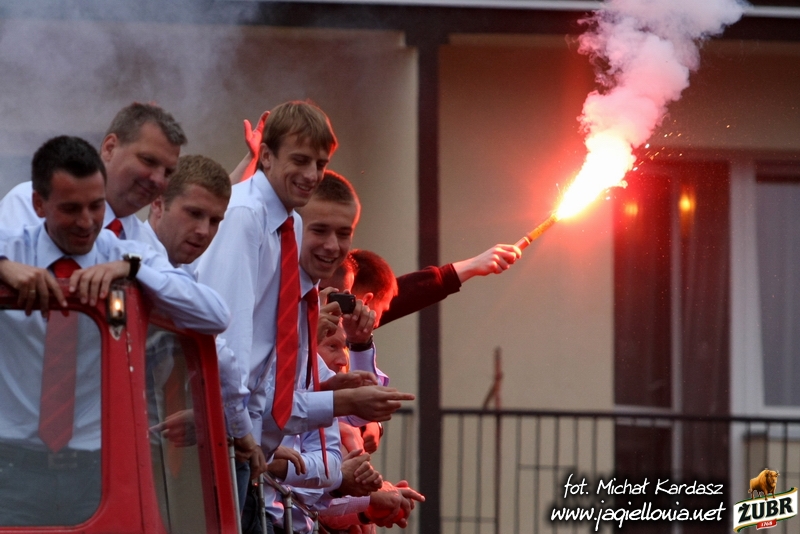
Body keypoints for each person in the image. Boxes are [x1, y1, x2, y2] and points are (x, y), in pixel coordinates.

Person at [195, 102, 412, 515]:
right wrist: (243, 434)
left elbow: (270, 390)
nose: (311, 174)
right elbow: (225, 346)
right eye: (300, 160)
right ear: (266, 156)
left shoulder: (288, 223)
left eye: (320, 163)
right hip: (222, 445)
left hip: (243, 449)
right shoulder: (245, 216)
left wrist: (339, 396)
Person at [0, 136, 229, 527]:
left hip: (96, 476)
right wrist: (3, 268)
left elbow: (215, 315)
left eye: (96, 206)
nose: (87, 222)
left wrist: (134, 272)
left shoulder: (124, 251)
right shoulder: (12, 247)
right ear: (39, 205)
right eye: (71, 209)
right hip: (11, 470)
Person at [0, 102, 185, 253]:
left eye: (168, 173)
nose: (158, 180)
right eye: (148, 160)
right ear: (110, 148)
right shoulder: (28, 204)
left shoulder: (150, 248)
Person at [146, 154, 231, 269]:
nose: (204, 231)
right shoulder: (128, 264)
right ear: (158, 204)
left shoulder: (189, 271)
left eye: (214, 221)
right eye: (194, 214)